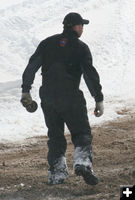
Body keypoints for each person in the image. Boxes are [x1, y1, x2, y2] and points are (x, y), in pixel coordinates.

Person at [21, 12, 104, 185]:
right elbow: (90, 75)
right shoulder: (80, 47)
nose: (82, 28)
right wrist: (98, 98)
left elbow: (32, 66)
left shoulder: (47, 43)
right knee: (81, 132)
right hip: (70, 97)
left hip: (48, 98)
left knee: (55, 135)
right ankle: (83, 163)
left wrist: (26, 90)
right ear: (74, 27)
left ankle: (57, 173)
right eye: (81, 25)